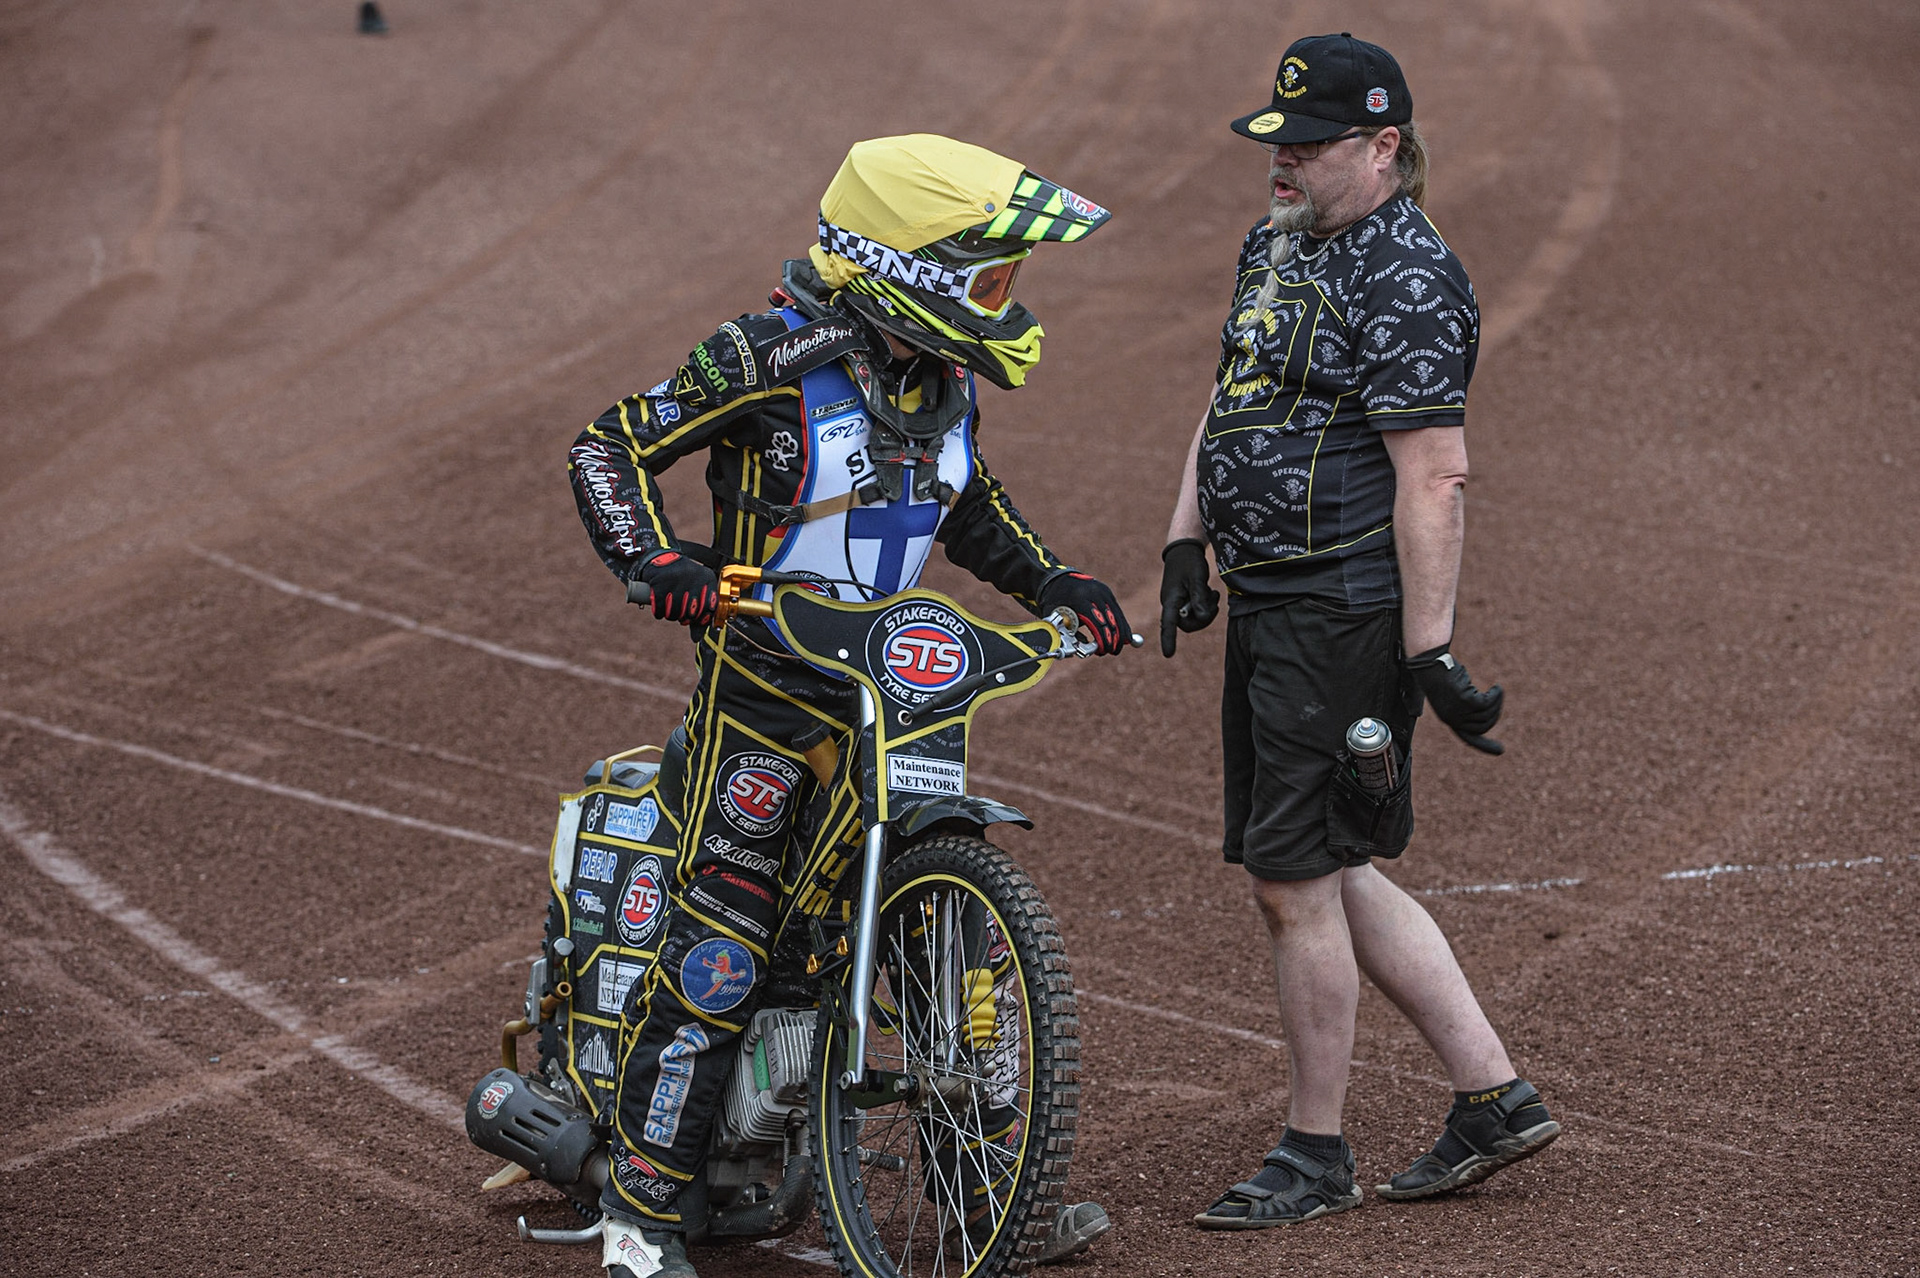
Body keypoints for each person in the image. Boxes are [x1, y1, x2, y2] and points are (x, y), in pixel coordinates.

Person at [569, 134, 1128, 1278]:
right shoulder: (765, 353)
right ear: (905, 265)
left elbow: (961, 503)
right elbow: (609, 446)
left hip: (892, 688)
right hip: (763, 694)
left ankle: (986, 1204)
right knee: (724, 946)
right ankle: (639, 1211)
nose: (1000, 300)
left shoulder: (940, 375)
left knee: (931, 928)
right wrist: (656, 559)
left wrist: (1053, 581)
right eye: (983, 274)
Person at [1156, 34, 1559, 1230]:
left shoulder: (1408, 274)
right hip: (1276, 598)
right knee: (1331, 858)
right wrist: (1188, 533)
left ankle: (1314, 1150)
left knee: (1293, 881)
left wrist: (1427, 649)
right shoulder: (1280, 241)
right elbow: (1234, 392)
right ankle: (1491, 1094)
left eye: (1312, 144)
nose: (1284, 162)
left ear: (1384, 147)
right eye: (1277, 138)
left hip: (1339, 606)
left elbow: (1434, 473)